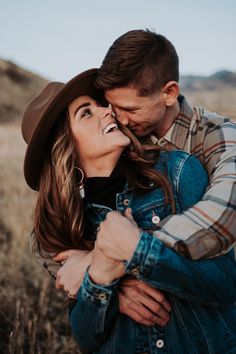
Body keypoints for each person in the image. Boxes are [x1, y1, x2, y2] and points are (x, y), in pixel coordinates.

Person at [21, 69, 236, 353]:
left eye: (100, 104)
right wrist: (103, 281)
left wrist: (133, 255)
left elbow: (225, 283)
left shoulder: (176, 171)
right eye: (86, 113)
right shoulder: (63, 228)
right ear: (65, 148)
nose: (106, 111)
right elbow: (87, 338)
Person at [54, 29, 236, 327]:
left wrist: (111, 257)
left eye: (130, 109)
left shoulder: (218, 136)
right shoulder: (123, 137)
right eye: (113, 107)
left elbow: (223, 215)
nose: (118, 118)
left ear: (169, 93)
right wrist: (107, 282)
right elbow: (58, 225)